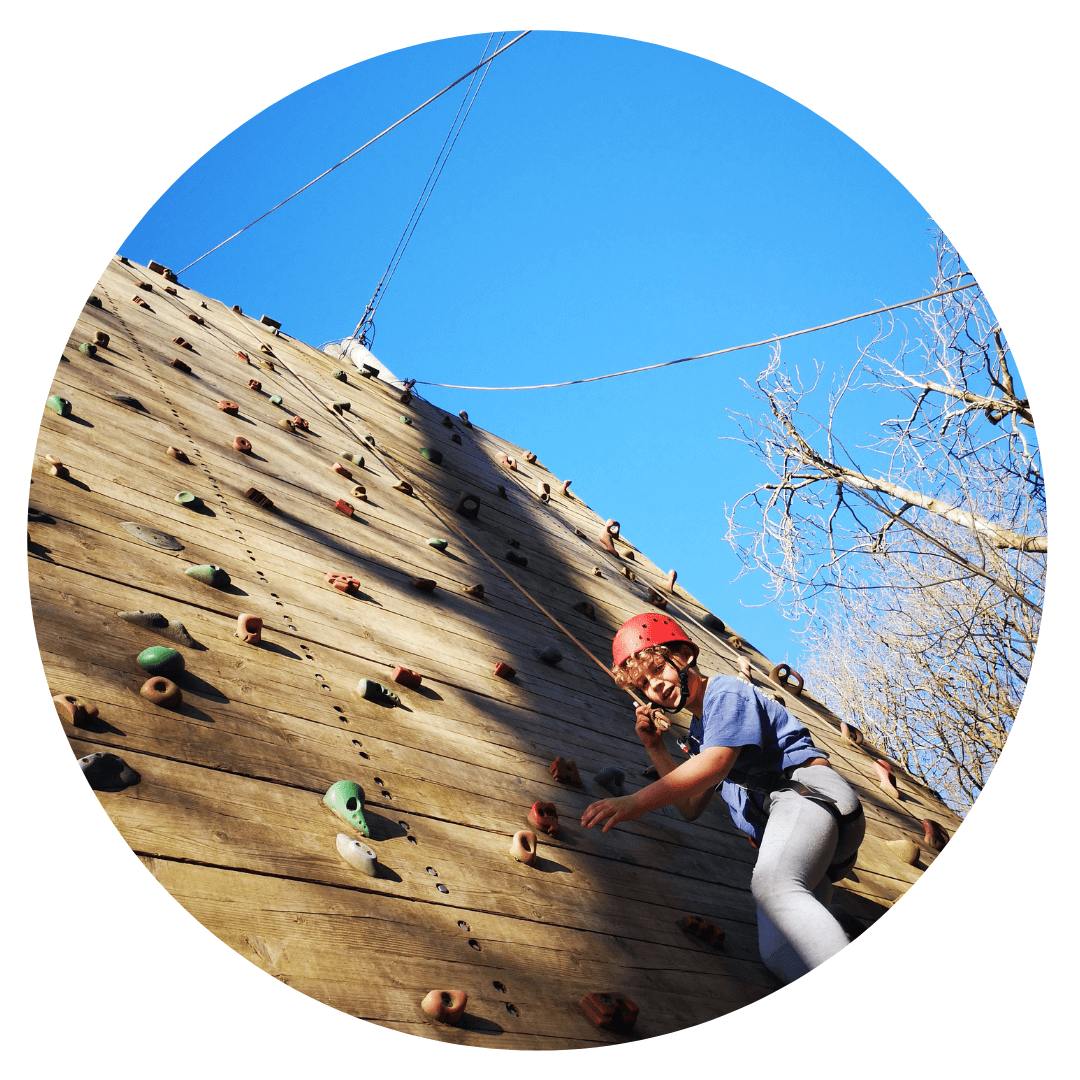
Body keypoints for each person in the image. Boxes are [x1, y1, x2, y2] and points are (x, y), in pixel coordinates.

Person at [581, 613, 865, 983]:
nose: (656, 687)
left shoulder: (724, 693)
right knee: (779, 952)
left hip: (808, 796)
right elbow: (689, 805)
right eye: (645, 684)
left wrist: (634, 803)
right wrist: (655, 748)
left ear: (682, 656)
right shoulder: (700, 734)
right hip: (804, 832)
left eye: (658, 670)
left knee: (774, 887)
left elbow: (715, 765)